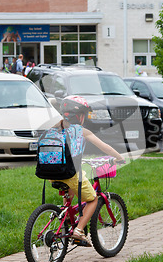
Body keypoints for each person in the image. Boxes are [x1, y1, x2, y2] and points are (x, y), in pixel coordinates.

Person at [52, 96, 124, 246]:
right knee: (93, 199)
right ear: (79, 116)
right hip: (70, 173)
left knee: (70, 191)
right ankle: (78, 231)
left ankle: (65, 218)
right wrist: (119, 157)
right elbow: (104, 147)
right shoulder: (82, 131)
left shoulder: (55, 127)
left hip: (51, 172)